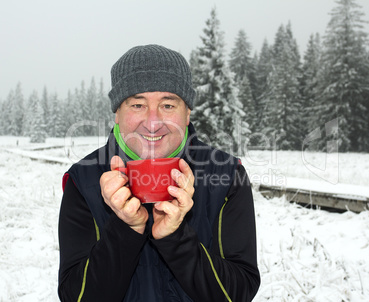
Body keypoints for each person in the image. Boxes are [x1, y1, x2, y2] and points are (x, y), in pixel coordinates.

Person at [58, 44, 260, 302]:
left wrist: (176, 238)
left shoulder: (228, 176)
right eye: (138, 105)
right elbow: (74, 297)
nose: (153, 122)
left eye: (167, 105)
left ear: (187, 113)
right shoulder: (83, 180)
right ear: (117, 113)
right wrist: (125, 229)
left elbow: (239, 292)